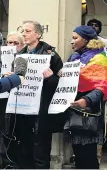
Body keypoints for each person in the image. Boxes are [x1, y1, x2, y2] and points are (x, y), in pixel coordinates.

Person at [5, 20, 63, 169]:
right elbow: (16, 79)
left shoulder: (51, 54)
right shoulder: (19, 55)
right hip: (22, 111)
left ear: (38, 34)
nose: (24, 34)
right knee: (23, 151)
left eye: (28, 31)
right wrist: (10, 77)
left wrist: (50, 79)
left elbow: (61, 84)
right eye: (23, 31)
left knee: (40, 152)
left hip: (41, 111)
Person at [63, 25, 107, 169]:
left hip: (89, 112)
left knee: (88, 156)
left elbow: (101, 87)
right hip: (74, 110)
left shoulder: (99, 58)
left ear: (86, 39)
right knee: (78, 154)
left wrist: (86, 100)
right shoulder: (73, 57)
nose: (71, 41)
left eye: (75, 38)